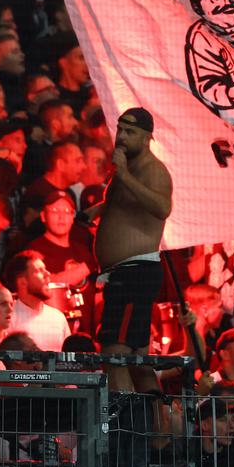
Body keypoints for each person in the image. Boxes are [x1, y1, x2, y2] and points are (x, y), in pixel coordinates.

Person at [92, 108, 172, 392]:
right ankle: (157, 434)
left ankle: (125, 428)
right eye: (120, 130)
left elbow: (162, 207)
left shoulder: (153, 170)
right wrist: (94, 212)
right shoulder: (127, 168)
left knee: (115, 357)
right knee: (139, 361)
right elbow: (122, 203)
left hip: (134, 273)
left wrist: (123, 174)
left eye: (131, 132)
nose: (122, 137)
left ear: (148, 137)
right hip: (123, 273)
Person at [2, 250, 71, 351]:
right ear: (22, 282)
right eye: (39, 271)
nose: (47, 274)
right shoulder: (8, 318)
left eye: (45, 269)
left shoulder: (58, 317)